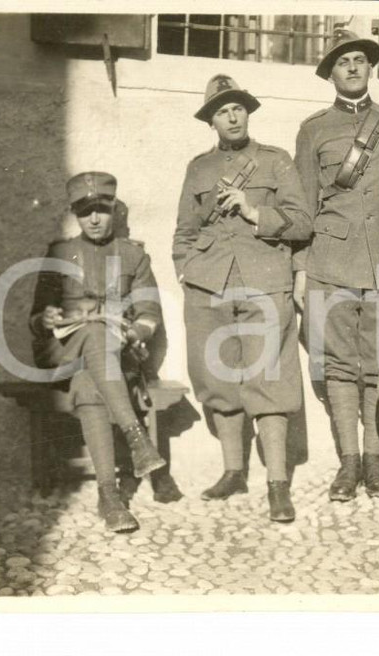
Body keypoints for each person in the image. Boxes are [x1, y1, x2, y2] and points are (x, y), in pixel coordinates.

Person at [174, 74, 312, 522]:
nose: (231, 116)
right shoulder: (198, 168)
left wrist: (254, 211)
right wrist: (185, 269)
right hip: (207, 284)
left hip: (264, 280)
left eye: (237, 107)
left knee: (269, 380)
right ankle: (234, 471)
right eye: (222, 110)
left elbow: (302, 223)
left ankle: (277, 485)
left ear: (247, 112)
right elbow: (185, 231)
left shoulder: (275, 161)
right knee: (217, 378)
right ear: (210, 120)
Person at [293, 28, 379, 503]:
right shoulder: (314, 130)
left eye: (359, 60)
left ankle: (375, 460)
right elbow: (304, 208)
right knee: (339, 366)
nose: (352, 67)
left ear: (370, 68)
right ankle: (348, 461)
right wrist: (301, 272)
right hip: (331, 262)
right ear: (330, 74)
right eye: (342, 61)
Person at [29, 171, 172, 533]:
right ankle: (136, 439)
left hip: (114, 354)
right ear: (75, 214)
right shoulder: (59, 253)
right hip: (63, 348)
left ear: (113, 211)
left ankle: (109, 498)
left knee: (89, 387)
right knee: (93, 332)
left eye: (101, 210)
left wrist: (135, 333)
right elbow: (36, 316)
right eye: (84, 211)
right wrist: (44, 318)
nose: (93, 219)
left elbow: (149, 313)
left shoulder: (133, 255)